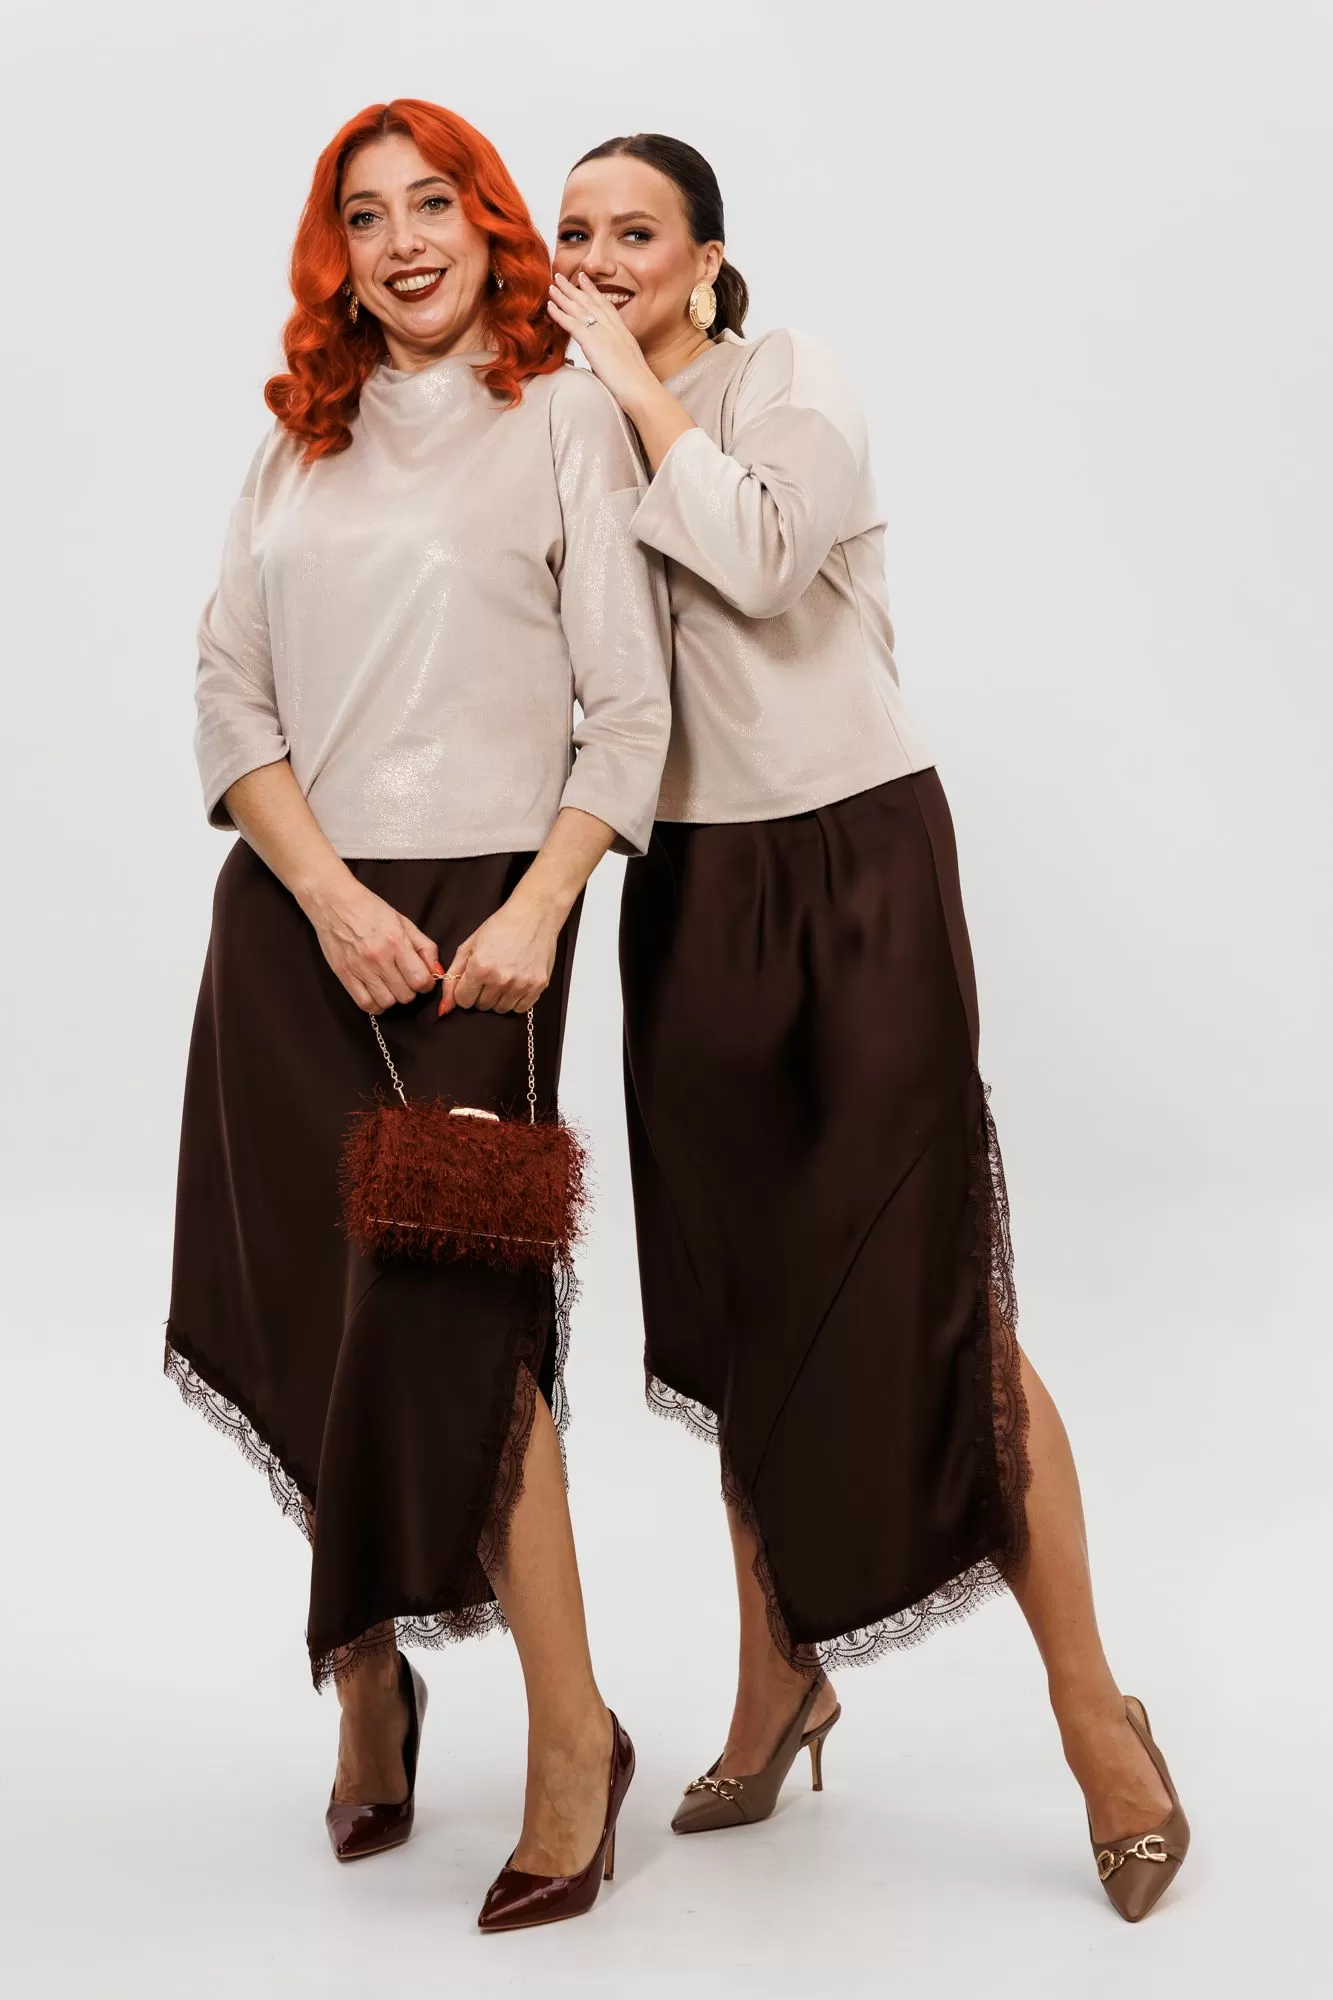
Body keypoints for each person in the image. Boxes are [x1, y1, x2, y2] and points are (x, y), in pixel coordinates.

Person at [547, 132, 1188, 1923]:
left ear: (707, 259)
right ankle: (780, 1681)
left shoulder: (786, 380)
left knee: (938, 1296)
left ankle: (1097, 1717)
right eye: (575, 229)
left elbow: (761, 558)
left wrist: (625, 387)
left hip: (854, 860)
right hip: (689, 885)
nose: (598, 256)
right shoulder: (568, 424)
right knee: (743, 1295)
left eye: (635, 232)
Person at [166, 98, 665, 1932]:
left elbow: (629, 710)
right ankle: (367, 1678)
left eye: (431, 203)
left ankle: (573, 1736)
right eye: (364, 216)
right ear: (338, 255)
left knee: (466, 1328)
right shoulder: (296, 444)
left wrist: (537, 908)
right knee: (321, 1317)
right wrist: (321, 893)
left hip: (481, 940)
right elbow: (229, 696)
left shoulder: (564, 423)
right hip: (299, 920)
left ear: (487, 221)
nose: (402, 242)